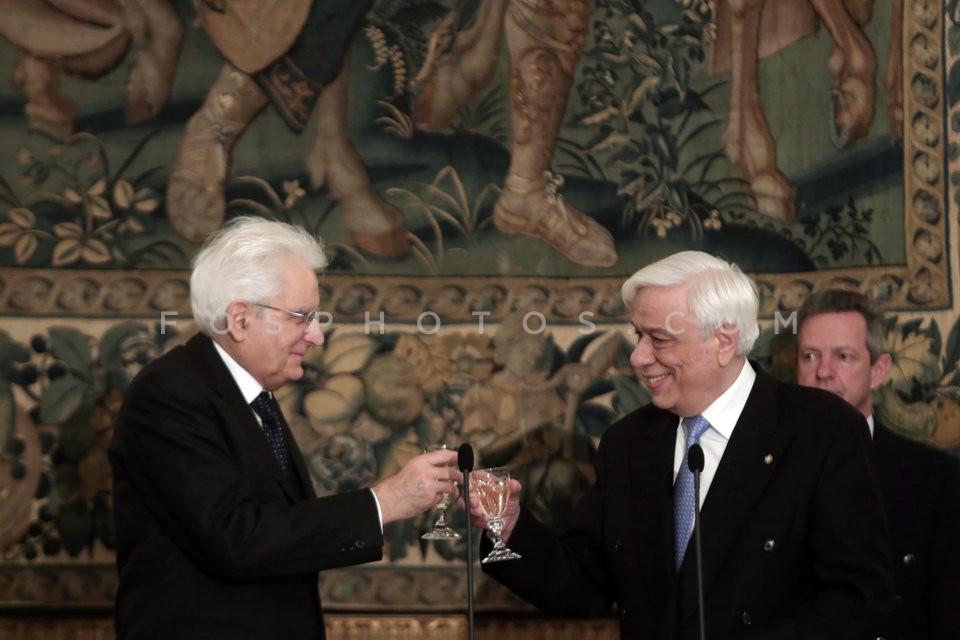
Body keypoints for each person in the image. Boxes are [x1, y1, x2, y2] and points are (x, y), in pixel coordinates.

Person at [467, 250, 894, 639]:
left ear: (724, 340)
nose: (637, 357)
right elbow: (582, 587)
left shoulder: (822, 431)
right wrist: (508, 526)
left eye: (660, 339)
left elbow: (859, 600)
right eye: (638, 335)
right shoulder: (628, 443)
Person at [109, 216, 459, 639]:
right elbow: (237, 540)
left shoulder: (252, 394)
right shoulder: (170, 394)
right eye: (301, 317)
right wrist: (385, 501)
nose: (317, 336)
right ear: (239, 319)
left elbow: (280, 533)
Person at [796, 288, 960, 640]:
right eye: (809, 356)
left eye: (843, 356)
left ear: (878, 370)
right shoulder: (764, 471)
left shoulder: (934, 479)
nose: (823, 372)